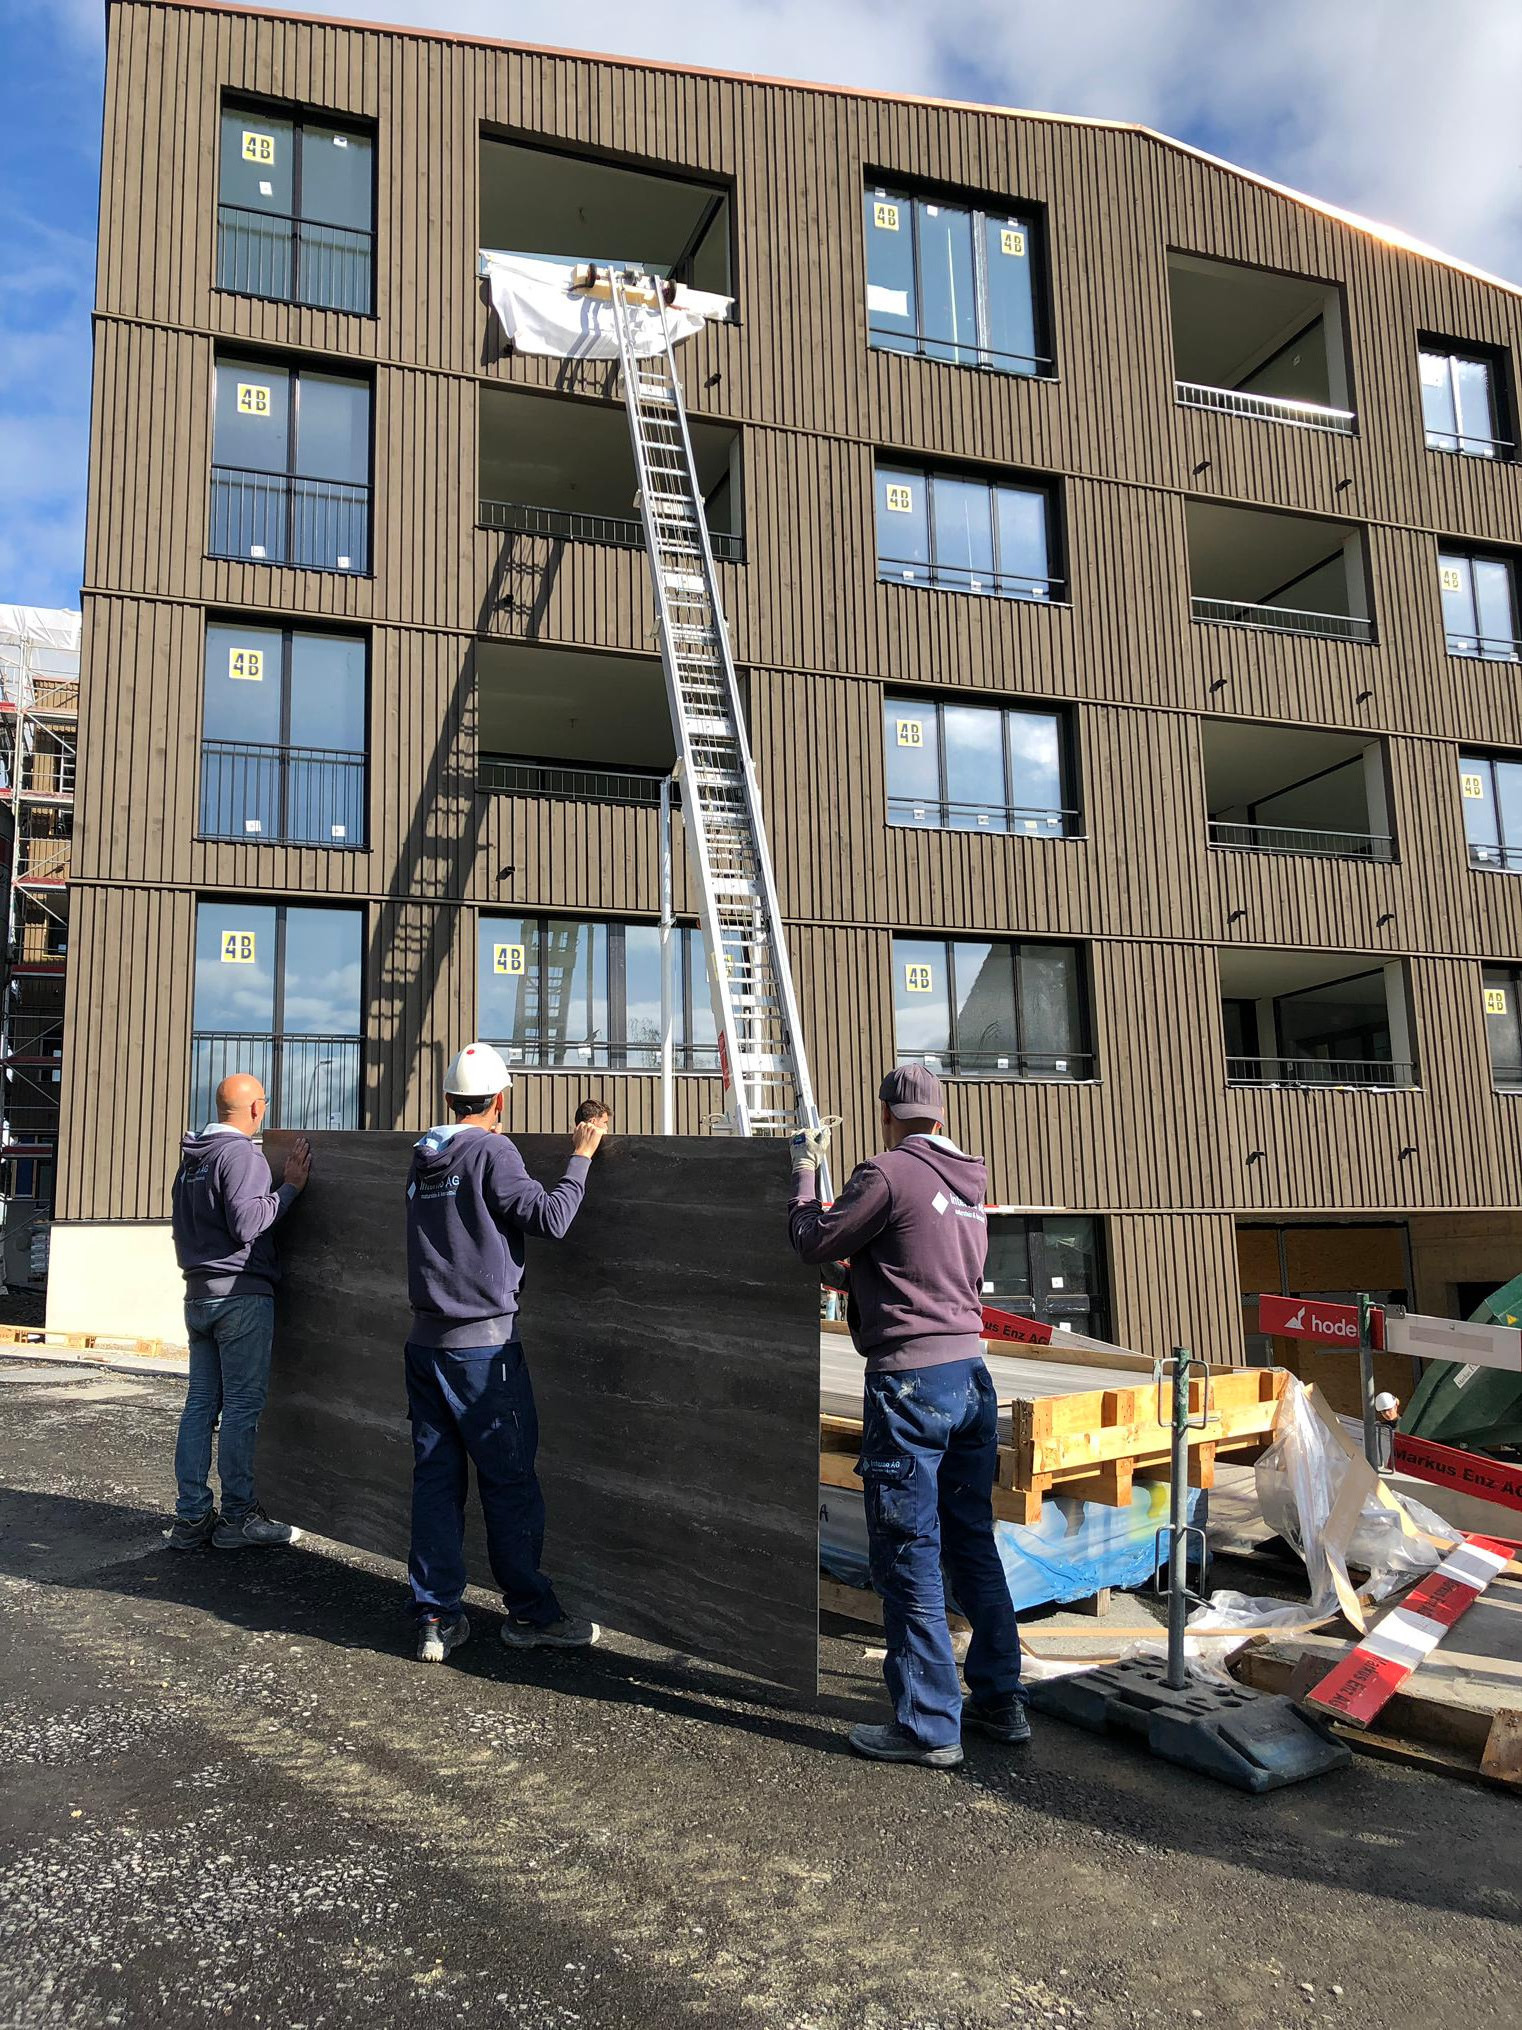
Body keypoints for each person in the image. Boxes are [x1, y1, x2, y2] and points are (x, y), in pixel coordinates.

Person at [788, 1065, 1027, 1767]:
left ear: (886, 1115)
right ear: (940, 1118)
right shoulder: (966, 1184)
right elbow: (907, 1267)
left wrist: (804, 1174)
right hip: (970, 1380)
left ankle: (929, 1726)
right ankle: (1000, 1700)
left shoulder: (886, 1174)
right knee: (969, 1541)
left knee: (908, 1550)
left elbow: (811, 1240)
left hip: (910, 1385)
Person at [404, 1043, 607, 1664]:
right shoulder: (492, 1149)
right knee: (509, 1482)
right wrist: (582, 1154)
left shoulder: (422, 1159)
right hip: (484, 1354)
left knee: (436, 1484)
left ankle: (436, 1617)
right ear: (498, 1100)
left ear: (446, 1100)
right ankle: (530, 1615)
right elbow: (550, 1219)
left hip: (425, 1345)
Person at [167, 1072, 311, 1550]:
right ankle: (237, 1519)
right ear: (256, 1110)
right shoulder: (242, 1155)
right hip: (240, 1298)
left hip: (199, 1296)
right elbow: (249, 1223)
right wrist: (289, 1187)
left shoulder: (191, 1160)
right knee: (242, 1409)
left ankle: (190, 1519)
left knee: (200, 1407)